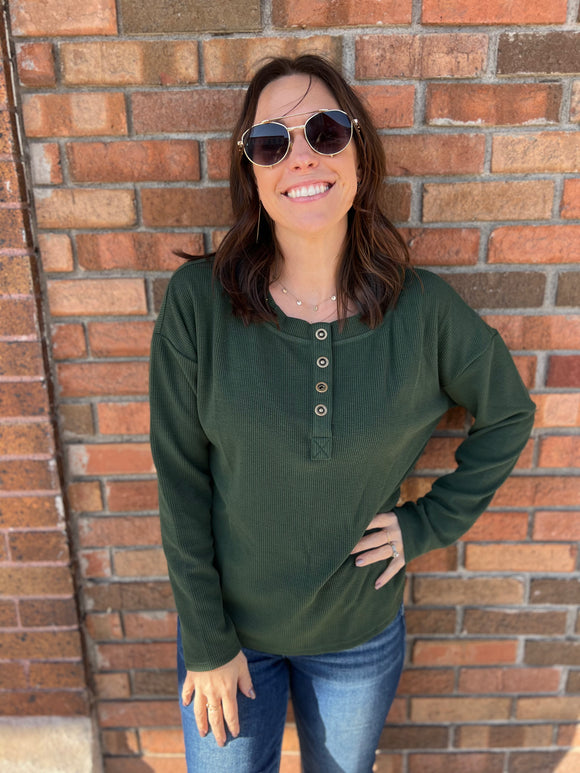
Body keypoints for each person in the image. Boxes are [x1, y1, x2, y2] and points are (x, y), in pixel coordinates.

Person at [149, 54, 535, 773]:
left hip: (358, 640)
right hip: (229, 636)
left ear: (359, 153)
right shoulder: (198, 304)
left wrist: (426, 524)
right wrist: (205, 642)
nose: (301, 157)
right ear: (251, 172)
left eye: (325, 131)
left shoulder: (422, 313)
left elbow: (509, 414)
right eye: (272, 141)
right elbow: (180, 480)